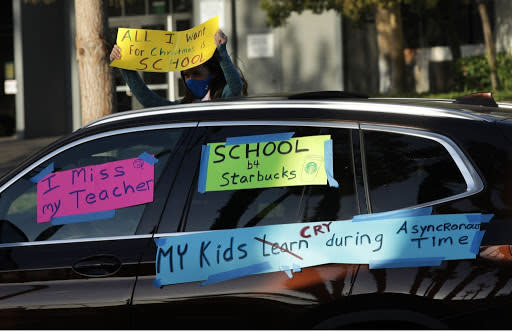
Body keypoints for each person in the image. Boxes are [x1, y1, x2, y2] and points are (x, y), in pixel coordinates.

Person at [109, 29, 246, 107]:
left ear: (213, 73)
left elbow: (235, 86)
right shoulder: (183, 106)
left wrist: (221, 52)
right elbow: (149, 101)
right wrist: (125, 65)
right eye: (186, 76)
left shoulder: (223, 100)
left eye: (196, 73)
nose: (190, 80)